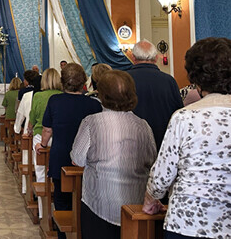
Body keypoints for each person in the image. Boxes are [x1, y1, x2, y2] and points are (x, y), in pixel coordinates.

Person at [143, 37, 231, 239]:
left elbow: (162, 176)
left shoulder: (185, 117)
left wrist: (150, 201)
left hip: (188, 222)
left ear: (196, 76)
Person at [71, 70, 156, 238]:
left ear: (102, 95)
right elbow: (152, 160)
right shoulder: (143, 125)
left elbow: (78, 159)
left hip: (99, 206)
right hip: (136, 207)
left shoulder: (91, 122)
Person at [39, 63, 101, 211]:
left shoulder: (55, 101)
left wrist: (42, 145)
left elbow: (47, 129)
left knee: (61, 200)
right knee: (85, 200)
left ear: (63, 82)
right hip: (87, 160)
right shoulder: (94, 105)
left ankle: (63, 233)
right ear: (84, 82)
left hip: (61, 156)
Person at [127, 40, 183, 150]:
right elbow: (178, 113)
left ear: (133, 58)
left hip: (130, 142)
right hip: (163, 143)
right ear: (156, 58)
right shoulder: (169, 81)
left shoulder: (123, 79)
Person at [30, 69, 63, 190]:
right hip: (59, 137)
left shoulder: (38, 96)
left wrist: (29, 128)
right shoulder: (62, 95)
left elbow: (32, 117)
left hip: (41, 135)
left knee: (41, 171)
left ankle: (42, 205)